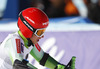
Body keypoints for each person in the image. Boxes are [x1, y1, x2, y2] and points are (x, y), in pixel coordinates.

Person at [0, 7, 75, 69]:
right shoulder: (15, 40)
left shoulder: (29, 41)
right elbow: (19, 65)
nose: (42, 36)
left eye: (43, 31)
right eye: (40, 32)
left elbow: (43, 58)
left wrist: (61, 67)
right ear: (28, 30)